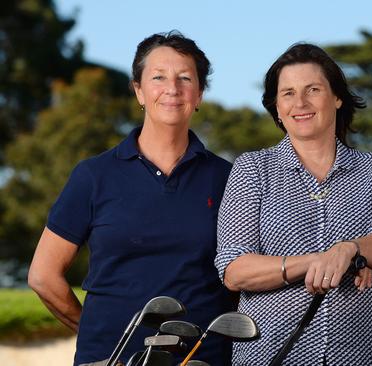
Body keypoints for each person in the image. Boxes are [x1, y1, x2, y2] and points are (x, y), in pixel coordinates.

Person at [28, 31, 235, 366]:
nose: (172, 88)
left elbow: (240, 275)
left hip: (202, 359)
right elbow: (43, 275)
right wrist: (97, 334)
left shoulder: (229, 178)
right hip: (111, 360)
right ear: (139, 90)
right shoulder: (93, 176)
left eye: (185, 78)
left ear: (199, 94)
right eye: (158, 77)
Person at [216, 43, 372, 365]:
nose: (300, 103)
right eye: (288, 93)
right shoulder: (252, 169)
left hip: (366, 354)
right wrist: (324, 260)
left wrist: (350, 249)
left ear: (336, 97)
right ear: (276, 107)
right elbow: (235, 270)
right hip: (272, 354)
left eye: (313, 89)